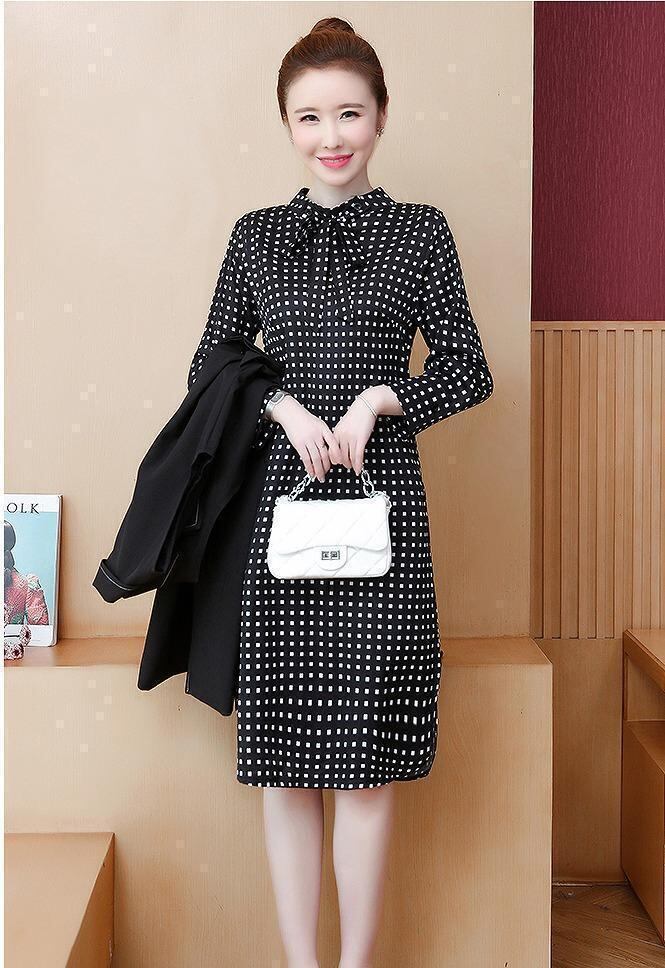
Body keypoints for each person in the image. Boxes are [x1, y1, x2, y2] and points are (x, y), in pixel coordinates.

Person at [187, 17, 494, 968]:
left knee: (366, 768)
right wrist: (279, 405)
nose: (331, 135)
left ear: (381, 117)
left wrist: (379, 399)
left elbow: (469, 369)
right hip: (276, 518)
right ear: (285, 124)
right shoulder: (256, 236)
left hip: (382, 516)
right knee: (284, 769)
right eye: (309, 116)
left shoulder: (419, 231)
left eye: (349, 113)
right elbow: (209, 365)